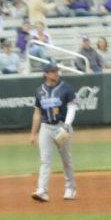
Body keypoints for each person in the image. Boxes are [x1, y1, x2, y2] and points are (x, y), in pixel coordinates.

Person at [29, 63, 77, 202]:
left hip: (62, 126)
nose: (56, 73)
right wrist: (33, 133)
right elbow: (37, 113)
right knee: (45, 160)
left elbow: (72, 108)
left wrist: (67, 125)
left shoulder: (66, 88)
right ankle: (42, 190)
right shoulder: (40, 91)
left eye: (56, 71)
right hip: (46, 127)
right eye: (52, 71)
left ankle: (70, 188)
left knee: (66, 158)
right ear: (46, 74)